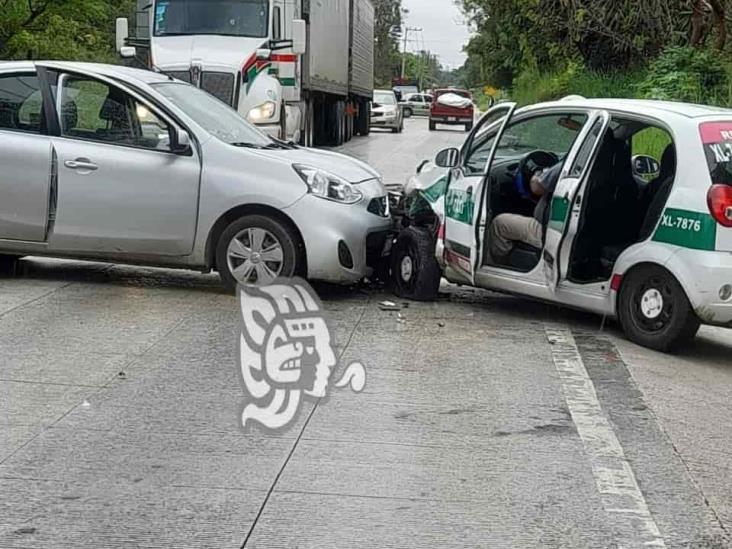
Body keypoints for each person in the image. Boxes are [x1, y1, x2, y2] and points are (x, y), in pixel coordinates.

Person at [488, 161, 564, 264]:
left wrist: (536, 174)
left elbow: (537, 187)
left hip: (551, 231)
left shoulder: (566, 164)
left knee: (500, 224)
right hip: (572, 231)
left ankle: (498, 265)